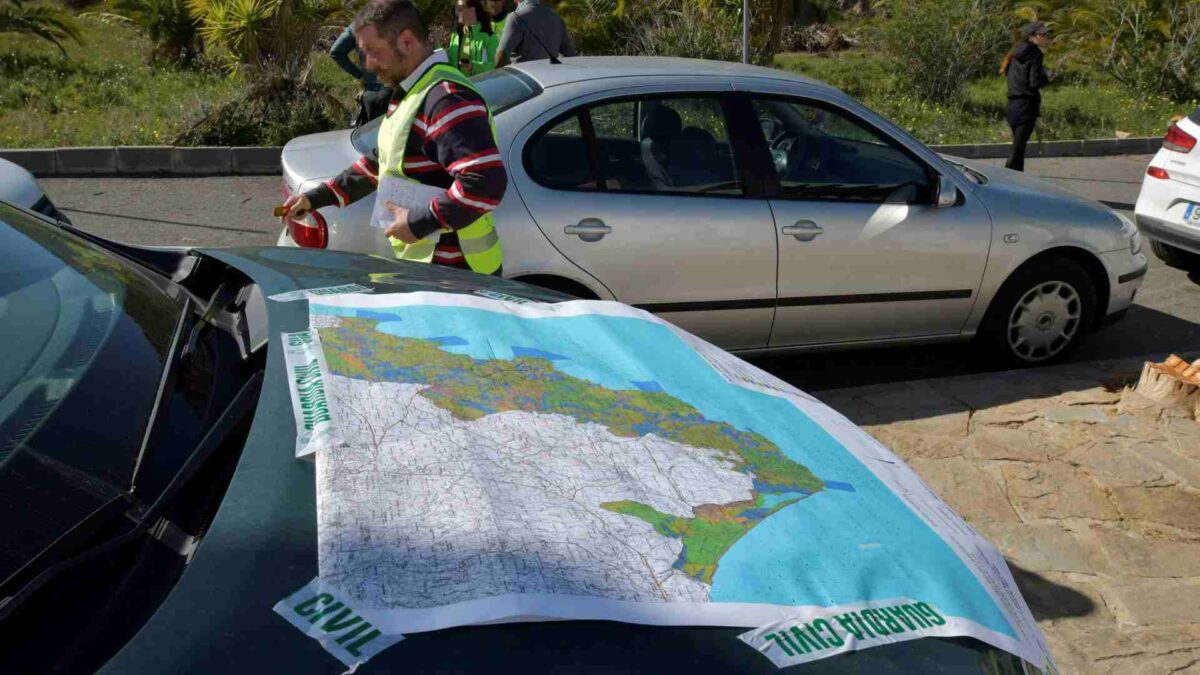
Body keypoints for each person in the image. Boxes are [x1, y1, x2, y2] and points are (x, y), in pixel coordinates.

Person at [282, 0, 506, 275]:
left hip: (460, 280)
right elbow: (382, 162)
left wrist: (419, 222)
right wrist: (316, 198)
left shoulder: (446, 98)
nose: (369, 65)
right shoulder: (413, 90)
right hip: (431, 273)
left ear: (407, 42)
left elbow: (485, 182)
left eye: (374, 52)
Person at [1001, 21, 1055, 172]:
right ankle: (1010, 180)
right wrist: (1047, 78)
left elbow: (1016, 77)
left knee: (1018, 146)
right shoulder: (1035, 53)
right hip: (1026, 106)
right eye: (1042, 34)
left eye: (1046, 34)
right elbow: (1034, 82)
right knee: (1018, 148)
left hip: (1012, 106)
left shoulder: (1015, 52)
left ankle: (1014, 179)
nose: (1046, 37)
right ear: (1032, 37)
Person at [330, 25, 391, 126]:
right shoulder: (399, 19)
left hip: (372, 93)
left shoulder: (359, 24)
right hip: (399, 93)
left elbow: (336, 52)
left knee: (369, 137)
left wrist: (361, 76)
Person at [495, 0, 576, 68]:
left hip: (524, 80)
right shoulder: (555, 17)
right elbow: (570, 55)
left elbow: (501, 56)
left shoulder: (516, 18)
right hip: (548, 82)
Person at [447, 0, 496, 76]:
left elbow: (497, 67)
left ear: (472, 10)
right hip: (458, 87)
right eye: (456, 9)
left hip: (480, 86)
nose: (456, 13)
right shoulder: (455, 36)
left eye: (460, 9)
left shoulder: (489, 37)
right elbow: (449, 64)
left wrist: (474, 67)